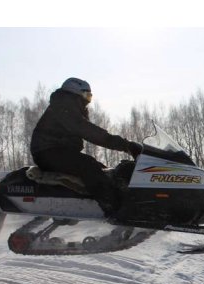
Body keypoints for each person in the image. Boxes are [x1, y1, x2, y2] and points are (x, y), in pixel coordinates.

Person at [30, 77, 142, 216]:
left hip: (57, 151)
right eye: (86, 95)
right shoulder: (64, 107)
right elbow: (88, 131)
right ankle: (114, 209)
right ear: (75, 93)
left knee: (103, 170)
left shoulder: (67, 107)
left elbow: (86, 130)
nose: (88, 100)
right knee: (90, 168)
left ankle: (116, 202)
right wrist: (126, 145)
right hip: (48, 151)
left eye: (90, 96)